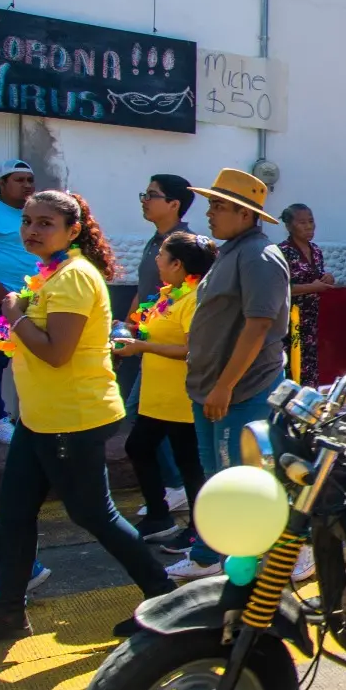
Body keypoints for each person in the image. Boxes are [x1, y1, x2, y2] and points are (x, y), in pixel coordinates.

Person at [0, 191, 176, 644]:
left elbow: (57, 353)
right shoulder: (49, 273)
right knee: (15, 512)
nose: (32, 230)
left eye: (45, 223)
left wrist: (13, 314)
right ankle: (9, 612)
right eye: (27, 221)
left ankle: (165, 598)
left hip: (72, 418)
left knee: (95, 515)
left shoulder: (73, 276)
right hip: (39, 417)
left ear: (72, 231)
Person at [164, 169, 294, 581]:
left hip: (241, 391)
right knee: (216, 478)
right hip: (211, 390)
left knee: (241, 482)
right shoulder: (231, 251)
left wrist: (224, 385)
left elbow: (259, 325)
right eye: (211, 204)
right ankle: (208, 555)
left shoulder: (259, 256)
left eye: (219, 206)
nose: (210, 213)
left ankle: (280, 553)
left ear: (245, 214)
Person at [113, 233, 215, 551]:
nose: (156, 260)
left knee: (190, 465)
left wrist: (142, 347)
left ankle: (200, 531)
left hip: (181, 398)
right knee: (138, 447)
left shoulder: (194, 299)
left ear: (177, 264)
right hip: (156, 397)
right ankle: (159, 517)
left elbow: (191, 350)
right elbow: (156, 331)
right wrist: (130, 332)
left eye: (161, 255)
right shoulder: (168, 294)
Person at [123, 175, 193, 519]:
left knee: (146, 417)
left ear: (174, 204)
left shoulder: (184, 245)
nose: (144, 200)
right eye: (145, 193)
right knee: (146, 418)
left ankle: (176, 486)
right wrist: (130, 320)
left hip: (169, 346)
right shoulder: (155, 241)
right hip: (147, 340)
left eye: (151, 195)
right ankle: (172, 488)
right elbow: (146, 288)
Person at [0, 160, 37, 444]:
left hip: (33, 301)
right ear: (2, 184)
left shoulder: (34, 214)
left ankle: (30, 417)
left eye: (29, 180)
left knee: (30, 358)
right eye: (19, 180)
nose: (27, 185)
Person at [279, 203, 335, 389]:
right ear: (289, 226)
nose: (309, 226)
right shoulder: (283, 251)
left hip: (310, 321)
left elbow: (318, 278)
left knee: (308, 368)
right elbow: (280, 288)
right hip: (288, 322)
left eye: (311, 221)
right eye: (302, 223)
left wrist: (328, 278)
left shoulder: (316, 251)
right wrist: (312, 287)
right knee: (290, 367)